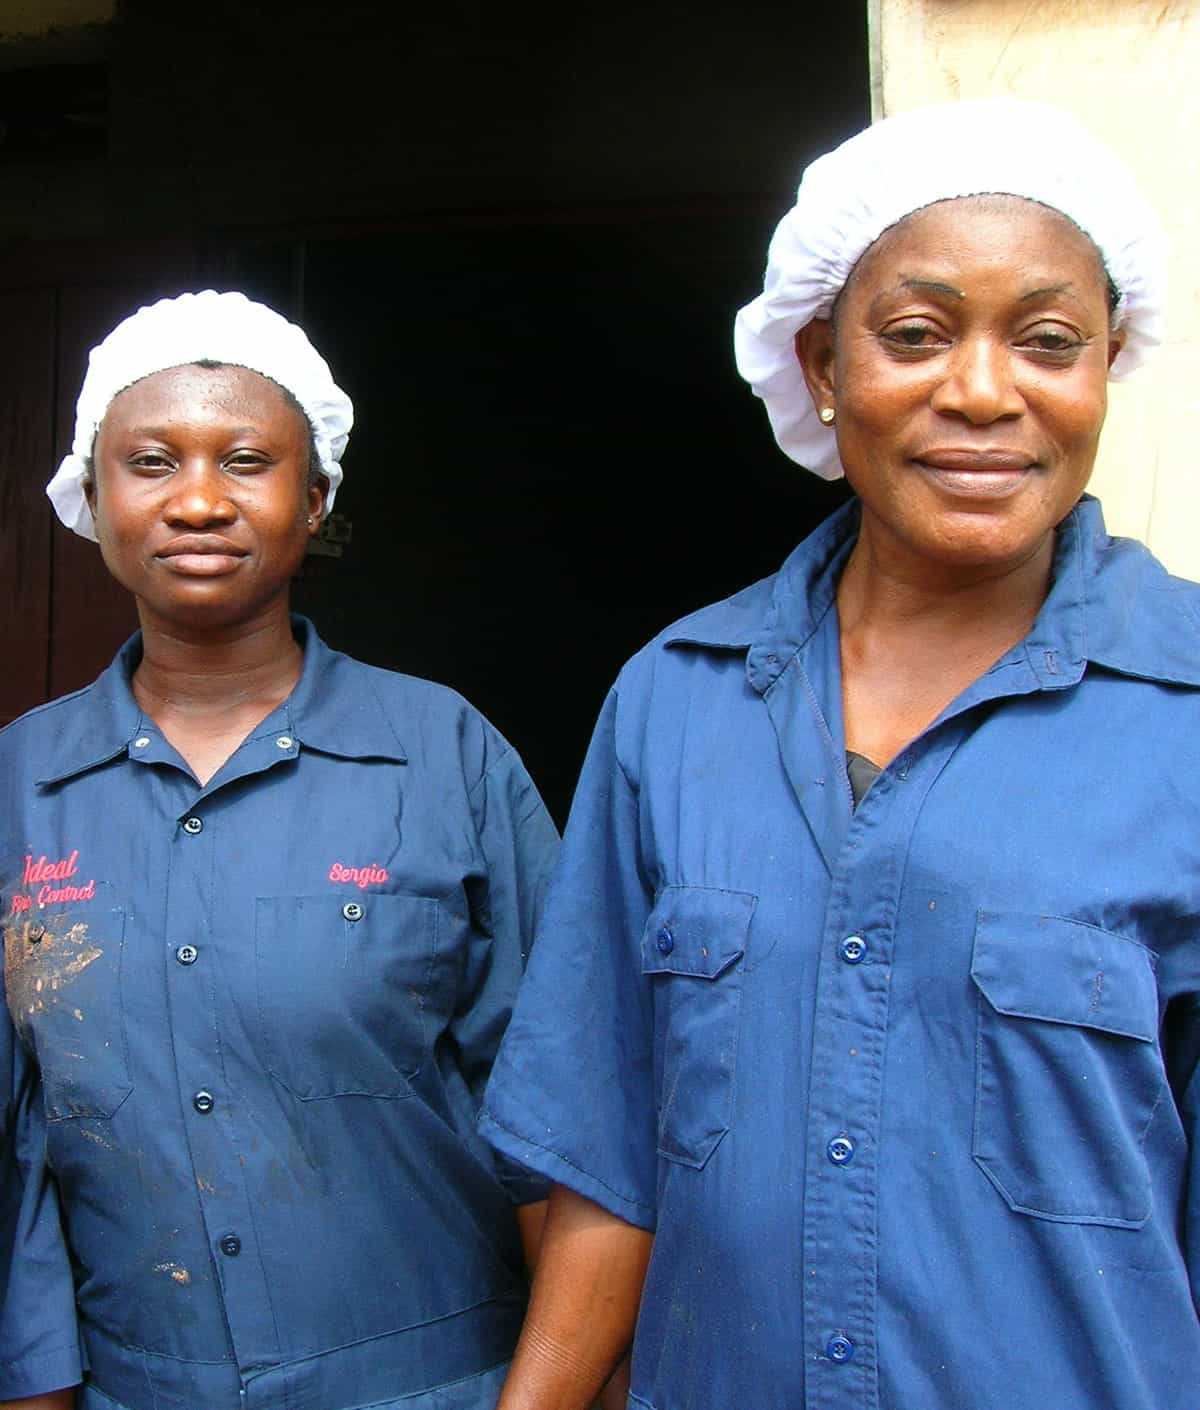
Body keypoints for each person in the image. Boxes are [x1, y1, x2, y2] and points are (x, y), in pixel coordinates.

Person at [479, 99, 1200, 1410]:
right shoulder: (674, 705)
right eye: (916, 335)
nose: (982, 392)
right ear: (820, 365)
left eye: (1048, 341)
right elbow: (612, 1159)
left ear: (1110, 362)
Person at [0, 291, 559, 1410]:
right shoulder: (20, 782)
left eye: (246, 460)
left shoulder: (444, 755)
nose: (198, 501)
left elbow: (562, 1119)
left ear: (315, 500)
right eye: (151, 462)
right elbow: (15, 1156)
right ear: (93, 497)